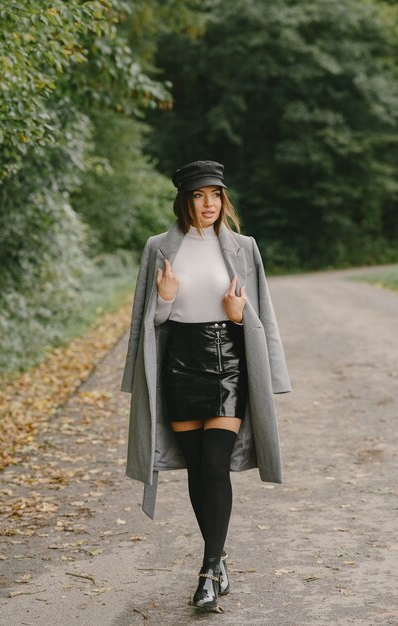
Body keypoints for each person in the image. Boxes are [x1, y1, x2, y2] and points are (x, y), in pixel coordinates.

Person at [120, 160, 291, 612]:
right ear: (185, 200)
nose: (209, 204)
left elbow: (262, 315)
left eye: (215, 194)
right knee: (198, 469)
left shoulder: (243, 247)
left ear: (223, 199)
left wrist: (240, 318)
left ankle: (208, 570)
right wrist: (166, 298)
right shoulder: (159, 248)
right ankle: (219, 559)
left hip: (227, 364)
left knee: (215, 464)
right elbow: (147, 322)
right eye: (199, 195)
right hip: (178, 365)